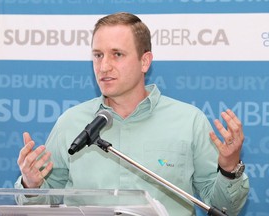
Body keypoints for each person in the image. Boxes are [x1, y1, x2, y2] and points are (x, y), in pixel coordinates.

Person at [15, 12, 249, 215]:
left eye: (117, 54)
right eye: (98, 55)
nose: (104, 66)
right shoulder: (71, 123)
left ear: (144, 61)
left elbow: (222, 207)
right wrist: (32, 186)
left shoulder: (189, 121)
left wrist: (229, 169)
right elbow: (45, 205)